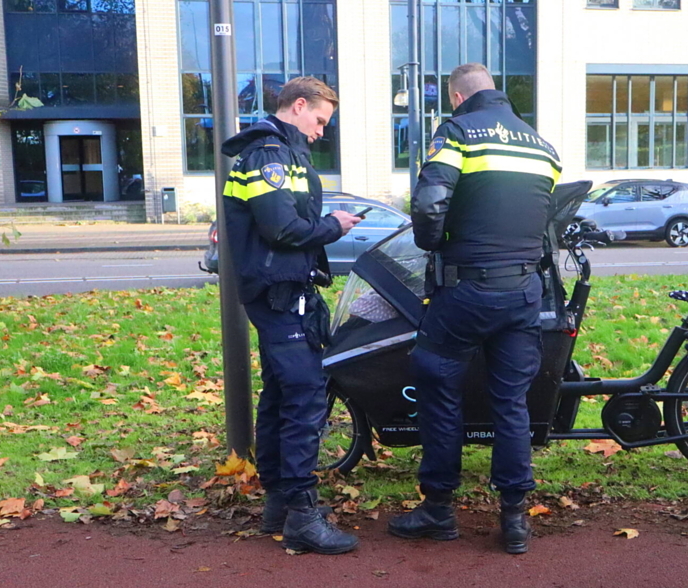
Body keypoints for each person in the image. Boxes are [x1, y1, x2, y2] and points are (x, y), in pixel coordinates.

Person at [388, 63, 561, 554]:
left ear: (457, 97)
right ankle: (514, 519)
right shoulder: (542, 147)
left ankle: (439, 510)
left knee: (439, 388)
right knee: (511, 403)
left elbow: (429, 204)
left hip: (465, 290)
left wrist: (433, 244)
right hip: (523, 293)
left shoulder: (459, 132)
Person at [221, 76, 362, 555]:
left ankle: (279, 503)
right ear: (298, 106)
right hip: (280, 293)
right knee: (303, 398)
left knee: (283, 396)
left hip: (281, 291)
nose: (322, 131)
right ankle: (301, 514)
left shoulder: (278, 153)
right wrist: (333, 227)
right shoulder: (270, 155)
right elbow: (281, 227)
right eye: (319, 120)